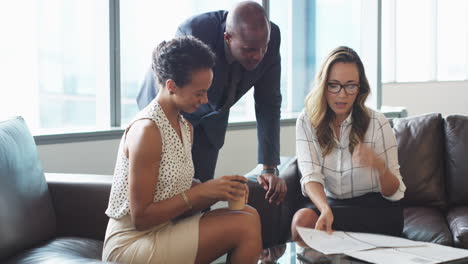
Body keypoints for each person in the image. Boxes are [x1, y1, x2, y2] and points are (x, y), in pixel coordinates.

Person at [102, 36, 262, 264]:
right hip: (131, 242)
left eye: (207, 91)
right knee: (243, 224)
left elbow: (180, 194)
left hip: (163, 230)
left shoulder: (185, 126)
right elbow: (141, 218)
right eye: (199, 93)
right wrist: (202, 191)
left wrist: (221, 191)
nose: (205, 100)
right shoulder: (147, 130)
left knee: (248, 214)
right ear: (171, 86)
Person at [136, 1, 286, 205]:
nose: (258, 56)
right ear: (228, 37)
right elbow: (175, 92)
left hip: (211, 122)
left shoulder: (270, 36)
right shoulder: (196, 32)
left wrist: (268, 168)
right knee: (169, 192)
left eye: (263, 48)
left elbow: (268, 102)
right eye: (250, 49)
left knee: (201, 200)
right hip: (171, 113)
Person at [291, 46, 407, 243]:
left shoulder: (377, 122)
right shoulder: (306, 121)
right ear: (323, 85)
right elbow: (310, 176)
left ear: (360, 87)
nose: (342, 95)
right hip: (332, 204)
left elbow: (394, 191)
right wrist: (325, 209)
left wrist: (378, 165)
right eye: (334, 85)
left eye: (350, 85)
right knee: (301, 221)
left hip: (376, 209)